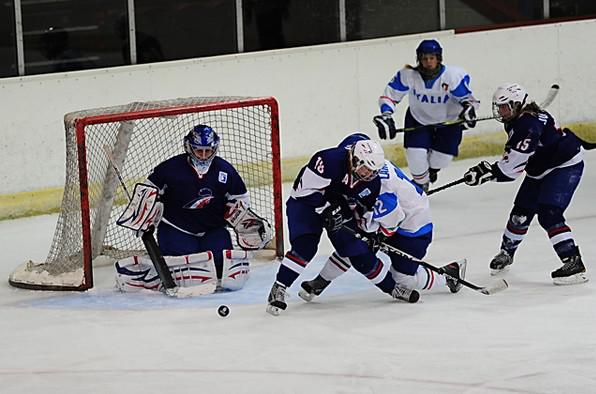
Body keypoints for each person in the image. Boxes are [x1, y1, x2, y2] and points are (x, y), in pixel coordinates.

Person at [114, 124, 271, 293]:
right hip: (176, 229)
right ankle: (150, 274)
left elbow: (240, 199)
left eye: (208, 151)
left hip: (212, 230)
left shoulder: (225, 170)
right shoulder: (169, 169)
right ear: (189, 147)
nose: (203, 156)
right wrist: (141, 215)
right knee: (185, 267)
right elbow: (148, 191)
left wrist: (245, 221)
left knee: (222, 267)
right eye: (199, 151)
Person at [463, 83, 588, 285]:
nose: (501, 111)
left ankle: (574, 262)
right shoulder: (522, 118)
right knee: (520, 212)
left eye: (505, 106)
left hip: (564, 165)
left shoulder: (527, 127)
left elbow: (510, 170)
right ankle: (507, 252)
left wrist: (486, 174)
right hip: (540, 166)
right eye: (499, 107)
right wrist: (489, 171)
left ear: (517, 104)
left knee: (549, 213)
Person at [298, 159, 467, 302]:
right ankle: (320, 282)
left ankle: (448, 275)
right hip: (391, 216)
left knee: (403, 281)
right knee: (356, 246)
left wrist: (379, 237)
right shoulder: (370, 166)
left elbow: (394, 217)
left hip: (413, 227)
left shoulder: (378, 188)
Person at [266, 133, 389, 315]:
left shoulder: (372, 182)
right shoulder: (328, 160)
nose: (369, 175)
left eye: (373, 172)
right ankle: (279, 287)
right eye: (365, 170)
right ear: (355, 160)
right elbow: (303, 191)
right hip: (306, 205)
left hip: (338, 206)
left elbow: (363, 213)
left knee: (355, 247)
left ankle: (392, 288)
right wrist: (326, 209)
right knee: (305, 247)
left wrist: (370, 233)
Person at [373, 39, 479, 192]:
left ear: (438, 58)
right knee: (416, 157)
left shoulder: (452, 77)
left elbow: (467, 99)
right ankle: (421, 184)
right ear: (419, 59)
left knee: (441, 160)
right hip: (418, 119)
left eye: (432, 58)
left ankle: (433, 170)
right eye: (424, 58)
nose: (428, 62)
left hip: (449, 123)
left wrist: (469, 110)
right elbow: (390, 96)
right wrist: (386, 115)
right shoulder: (408, 75)